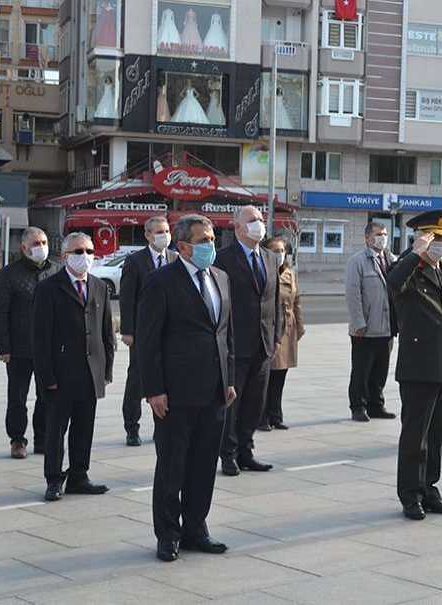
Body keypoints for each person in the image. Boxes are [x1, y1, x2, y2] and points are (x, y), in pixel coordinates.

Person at [138, 215, 236, 563]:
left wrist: (230, 379)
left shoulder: (221, 278)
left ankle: (196, 528)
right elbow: (148, 343)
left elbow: (226, 333)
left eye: (212, 238)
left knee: (203, 464)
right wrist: (154, 390)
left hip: (214, 391)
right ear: (183, 246)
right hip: (175, 393)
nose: (212, 244)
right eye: (204, 239)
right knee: (172, 466)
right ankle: (168, 534)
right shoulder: (160, 282)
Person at [386, 209, 442, 521]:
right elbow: (391, 284)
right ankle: (410, 494)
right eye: (437, 238)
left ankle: (430, 488)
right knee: (415, 433)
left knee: (435, 432)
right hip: (419, 365)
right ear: (421, 238)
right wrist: (414, 255)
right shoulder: (408, 268)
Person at [32, 232, 114, 501]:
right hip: (60, 374)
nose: (85, 257)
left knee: (84, 427)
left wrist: (107, 370)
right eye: (79, 252)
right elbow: (40, 337)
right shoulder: (48, 288)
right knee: (56, 430)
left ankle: (79, 475)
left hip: (91, 372)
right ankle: (54, 480)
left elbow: (106, 333)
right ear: (66, 256)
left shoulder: (100, 286)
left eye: (89, 251)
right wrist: (46, 376)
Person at [214, 206, 278, 476]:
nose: (259, 225)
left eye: (261, 220)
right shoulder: (223, 258)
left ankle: (246, 451)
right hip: (235, 345)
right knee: (232, 404)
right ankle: (227, 454)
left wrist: (274, 339)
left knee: (255, 403)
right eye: (252, 220)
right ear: (237, 227)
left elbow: (273, 302)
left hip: (263, 345)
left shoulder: (271, 258)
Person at [0, 227, 58, 459]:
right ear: (23, 248)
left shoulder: (56, 270)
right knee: (18, 397)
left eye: (43, 242)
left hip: (49, 348)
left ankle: (42, 439)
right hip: (20, 348)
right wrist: (2, 347)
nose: (40, 247)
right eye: (35, 244)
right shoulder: (9, 274)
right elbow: (0, 313)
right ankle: (17, 439)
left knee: (47, 396)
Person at [119, 216, 178, 446]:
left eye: (166, 231)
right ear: (147, 235)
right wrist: (128, 330)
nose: (164, 235)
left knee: (168, 380)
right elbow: (126, 298)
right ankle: (132, 427)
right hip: (143, 332)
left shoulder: (174, 258)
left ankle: (161, 427)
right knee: (137, 380)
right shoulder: (135, 261)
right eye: (159, 232)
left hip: (171, 332)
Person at [345, 222, 397, 422]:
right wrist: (358, 322)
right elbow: (353, 294)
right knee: (361, 370)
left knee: (380, 371)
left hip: (386, 327)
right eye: (377, 234)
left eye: (384, 234)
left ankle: (377, 405)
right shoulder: (357, 261)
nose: (382, 238)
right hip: (365, 328)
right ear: (367, 238)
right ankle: (358, 406)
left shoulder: (391, 260)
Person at [259, 237, 305, 431]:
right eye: (274, 250)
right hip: (269, 329)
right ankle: (262, 417)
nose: (279, 254)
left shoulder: (290, 273)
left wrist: (300, 326)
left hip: (287, 328)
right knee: (266, 377)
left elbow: (297, 301)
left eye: (282, 250)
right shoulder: (263, 271)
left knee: (280, 375)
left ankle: (276, 415)